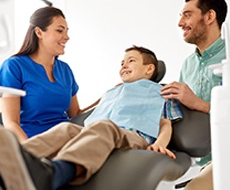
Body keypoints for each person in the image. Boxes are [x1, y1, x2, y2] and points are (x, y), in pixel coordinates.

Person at [0, 46, 182, 190]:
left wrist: (160, 144)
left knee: (104, 126)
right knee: (67, 128)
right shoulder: (114, 92)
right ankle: (15, 161)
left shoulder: (160, 92)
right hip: (104, 132)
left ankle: (56, 173)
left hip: (134, 136)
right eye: (122, 63)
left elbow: (165, 123)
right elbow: (84, 114)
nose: (124, 65)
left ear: (150, 68)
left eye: (131, 61)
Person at [160, 0, 228, 190]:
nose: (180, 23)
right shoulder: (188, 64)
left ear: (210, 16)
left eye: (187, 15)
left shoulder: (228, 56)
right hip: (199, 161)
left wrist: (197, 103)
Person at [0, 6, 91, 143]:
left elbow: (76, 114)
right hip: (34, 143)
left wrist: (110, 97)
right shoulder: (14, 66)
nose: (66, 37)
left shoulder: (65, 70)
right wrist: (32, 154)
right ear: (39, 33)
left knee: (106, 131)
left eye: (66, 31)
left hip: (67, 139)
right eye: (60, 30)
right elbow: (11, 123)